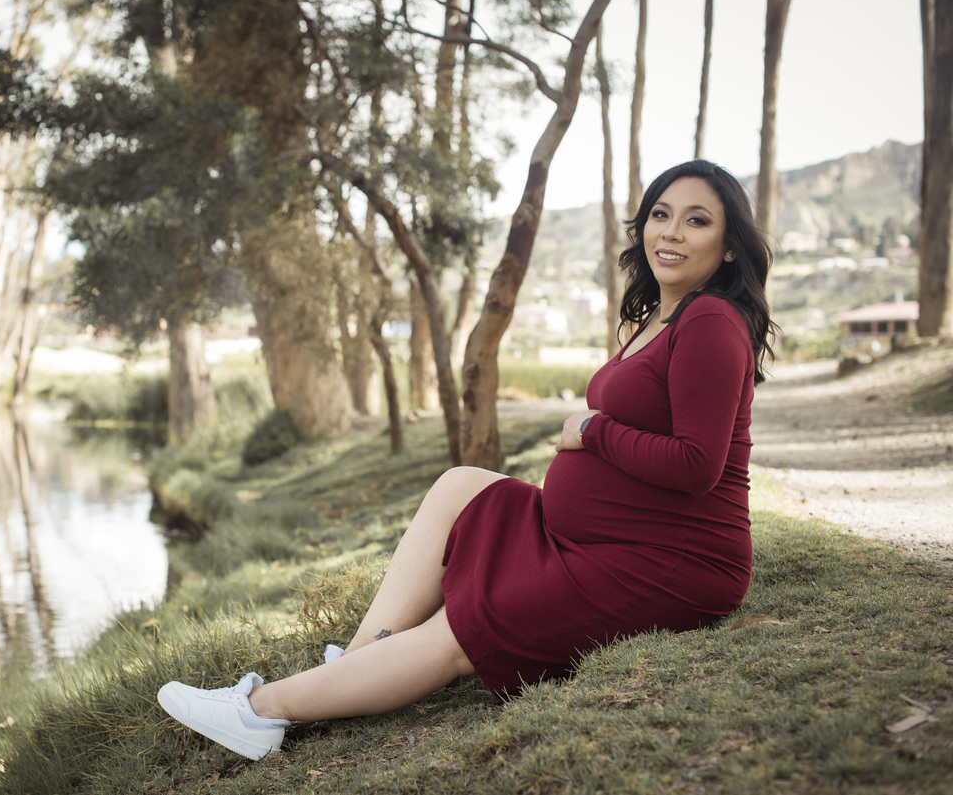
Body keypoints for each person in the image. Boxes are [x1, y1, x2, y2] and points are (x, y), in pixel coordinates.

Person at [157, 159, 778, 761]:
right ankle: (355, 660)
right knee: (463, 484)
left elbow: (697, 465)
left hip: (668, 563)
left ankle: (258, 713)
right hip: (606, 538)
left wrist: (593, 431)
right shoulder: (660, 317)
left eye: (696, 220)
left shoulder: (710, 322)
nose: (670, 231)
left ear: (728, 247)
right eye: (661, 214)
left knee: (462, 627)